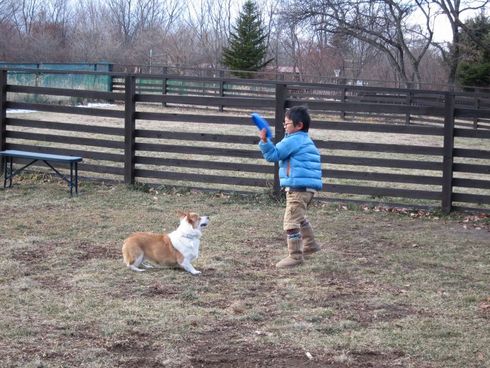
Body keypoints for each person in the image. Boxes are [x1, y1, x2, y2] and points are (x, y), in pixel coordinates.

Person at [258, 106, 323, 268]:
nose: (284, 125)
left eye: (287, 123)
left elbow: (273, 155)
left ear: (298, 125)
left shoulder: (293, 140)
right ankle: (310, 245)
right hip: (308, 188)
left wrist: (265, 142)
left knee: (290, 222)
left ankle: (295, 256)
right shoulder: (305, 139)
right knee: (299, 217)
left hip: (298, 188)